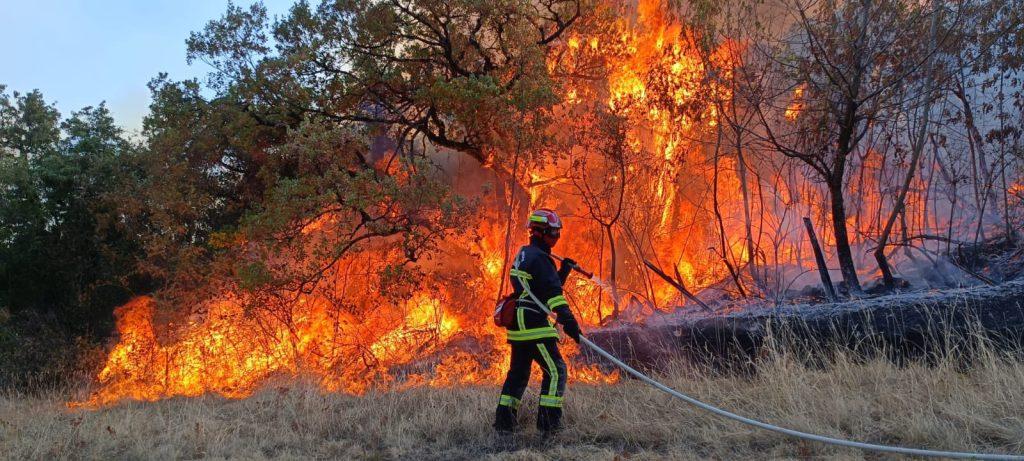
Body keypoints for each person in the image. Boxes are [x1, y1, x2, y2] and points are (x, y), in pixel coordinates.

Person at [493, 208, 583, 435]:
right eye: (553, 233)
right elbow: (552, 295)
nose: (556, 238)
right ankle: (549, 426)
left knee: (518, 374)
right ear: (540, 232)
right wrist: (570, 323)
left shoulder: (524, 254)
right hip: (533, 323)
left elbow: (539, 289)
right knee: (556, 370)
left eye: (557, 234)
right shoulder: (541, 259)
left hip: (519, 323)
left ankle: (504, 424)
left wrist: (563, 271)